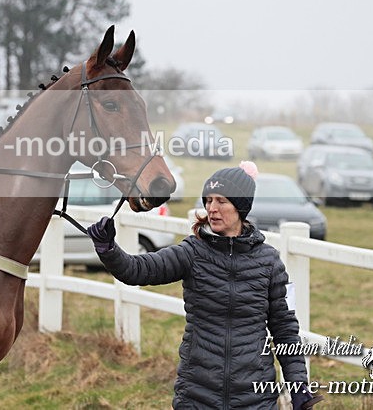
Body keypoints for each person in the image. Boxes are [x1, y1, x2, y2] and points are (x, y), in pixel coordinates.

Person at [86, 161, 323, 409]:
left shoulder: (269, 261)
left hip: (255, 397)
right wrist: (108, 249)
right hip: (198, 394)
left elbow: (285, 330)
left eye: (221, 201)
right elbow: (137, 270)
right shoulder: (193, 252)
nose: (212, 208)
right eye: (208, 201)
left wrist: (298, 385)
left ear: (241, 207)